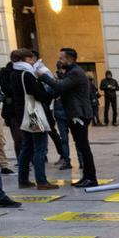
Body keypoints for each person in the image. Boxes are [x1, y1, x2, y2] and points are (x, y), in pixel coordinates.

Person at [40, 47, 97, 187]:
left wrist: (43, 76)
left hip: (80, 114)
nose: (59, 61)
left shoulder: (75, 73)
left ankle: (91, 178)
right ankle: (87, 177)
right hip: (74, 113)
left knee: (84, 147)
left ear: (70, 59)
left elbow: (59, 86)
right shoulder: (71, 72)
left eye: (61, 58)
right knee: (80, 145)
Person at [8, 49, 58, 191]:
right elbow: (39, 95)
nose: (33, 61)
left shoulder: (14, 73)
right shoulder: (27, 74)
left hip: (22, 113)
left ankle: (23, 180)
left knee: (27, 147)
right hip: (33, 114)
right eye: (31, 59)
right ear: (25, 60)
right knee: (40, 147)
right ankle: (41, 181)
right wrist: (48, 93)